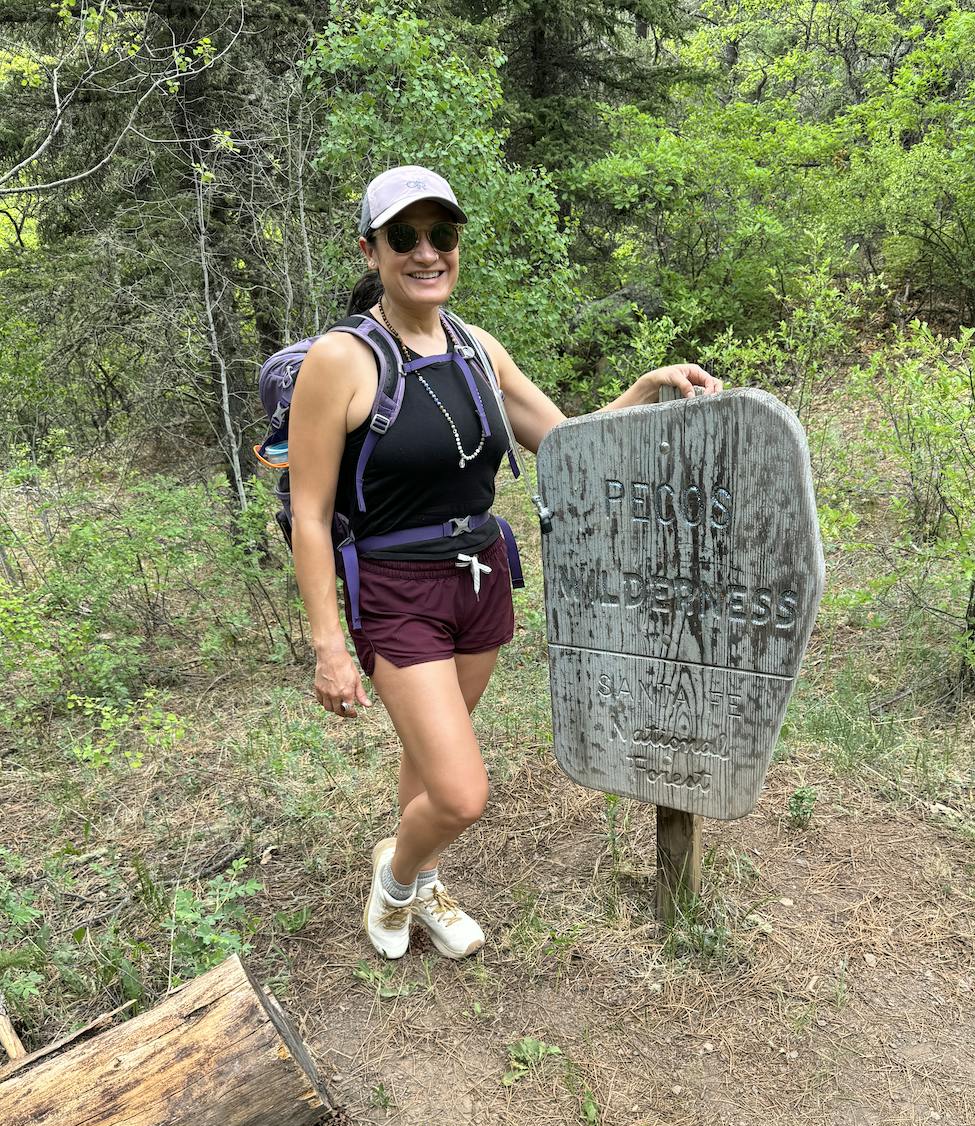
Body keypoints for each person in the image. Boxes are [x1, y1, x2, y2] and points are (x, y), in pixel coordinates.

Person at [287, 164, 723, 964]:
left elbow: (562, 444)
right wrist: (328, 645)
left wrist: (646, 385)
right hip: (397, 591)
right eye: (406, 238)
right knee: (461, 791)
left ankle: (421, 884)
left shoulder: (477, 349)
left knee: (428, 757)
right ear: (372, 249)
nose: (427, 253)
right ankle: (396, 875)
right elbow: (310, 516)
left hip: (481, 578)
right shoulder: (342, 361)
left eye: (442, 235)